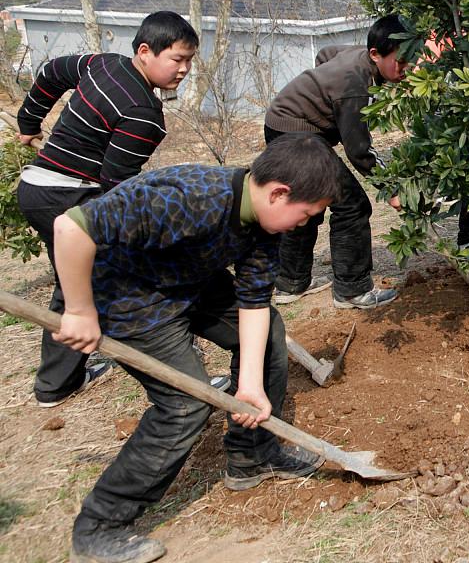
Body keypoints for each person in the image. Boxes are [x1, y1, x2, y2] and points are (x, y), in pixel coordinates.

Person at [49, 133, 339, 563]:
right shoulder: (187, 198)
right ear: (279, 192)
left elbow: (255, 301)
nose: (305, 225)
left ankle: (251, 456)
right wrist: (78, 310)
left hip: (190, 282)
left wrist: (251, 387)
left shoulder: (263, 224)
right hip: (130, 296)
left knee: (270, 336)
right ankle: (100, 526)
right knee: (185, 403)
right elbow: (71, 226)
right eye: (306, 214)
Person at [14, 11, 212, 408]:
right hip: (67, 200)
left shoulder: (102, 63)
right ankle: (181, 380)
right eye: (177, 59)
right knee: (128, 281)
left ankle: (57, 384)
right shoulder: (144, 114)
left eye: (190, 60)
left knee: (74, 284)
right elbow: (114, 190)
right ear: (145, 51)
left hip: (35, 189)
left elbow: (53, 71)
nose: (185, 70)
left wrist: (28, 118)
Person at [264, 15, 416, 308]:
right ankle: (352, 290)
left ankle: (289, 284)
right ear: (375, 54)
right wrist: (392, 190)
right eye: (401, 62)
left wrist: (322, 87)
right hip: (298, 134)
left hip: (280, 123)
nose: (407, 69)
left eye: (412, 60)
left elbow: (326, 54)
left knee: (305, 202)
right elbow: (359, 151)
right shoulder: (355, 86)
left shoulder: (357, 56)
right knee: (352, 205)